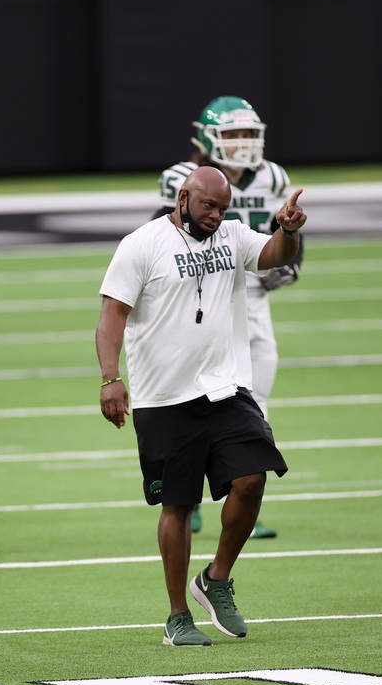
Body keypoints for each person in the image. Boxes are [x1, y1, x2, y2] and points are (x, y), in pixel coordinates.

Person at [96, 166, 306, 646]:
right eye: (208, 205)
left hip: (225, 386)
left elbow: (273, 255)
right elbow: (112, 313)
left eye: (223, 208)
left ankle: (216, 577)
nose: (216, 215)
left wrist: (288, 231)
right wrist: (110, 378)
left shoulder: (233, 235)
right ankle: (177, 616)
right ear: (183, 197)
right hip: (164, 396)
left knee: (253, 478)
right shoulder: (141, 244)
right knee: (178, 504)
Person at [153, 96, 300, 540]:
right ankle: (188, 497)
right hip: (201, 297)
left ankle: (243, 497)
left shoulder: (273, 177)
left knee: (255, 400)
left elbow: (286, 225)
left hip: (252, 298)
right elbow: (160, 232)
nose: (242, 143)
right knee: (195, 399)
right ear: (208, 138)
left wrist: (291, 258)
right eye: (232, 134)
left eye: (248, 134)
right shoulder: (182, 178)